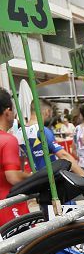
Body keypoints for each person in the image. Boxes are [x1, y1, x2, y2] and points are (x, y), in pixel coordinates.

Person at [15, 99, 84, 176]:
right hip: (51, 177)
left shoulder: (19, 132)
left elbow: (20, 162)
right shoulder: (42, 130)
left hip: (36, 178)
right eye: (51, 113)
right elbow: (63, 155)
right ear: (47, 112)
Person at [0, 88, 31, 225]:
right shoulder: (8, 140)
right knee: (29, 244)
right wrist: (32, 176)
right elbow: (13, 176)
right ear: (7, 112)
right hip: (7, 204)